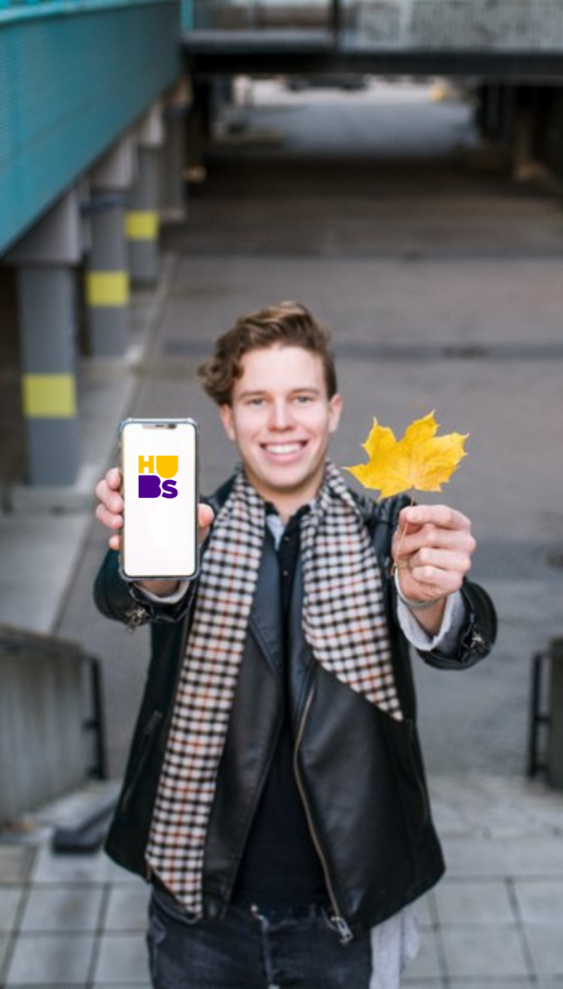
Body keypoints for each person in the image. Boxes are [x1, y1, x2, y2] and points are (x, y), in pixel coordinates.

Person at [94, 302, 497, 989]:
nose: (281, 421)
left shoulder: (390, 530)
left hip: (345, 902)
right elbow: (124, 593)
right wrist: (156, 571)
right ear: (228, 418)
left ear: (333, 410)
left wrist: (432, 600)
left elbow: (461, 635)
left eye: (301, 397)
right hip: (198, 901)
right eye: (257, 400)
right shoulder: (189, 527)